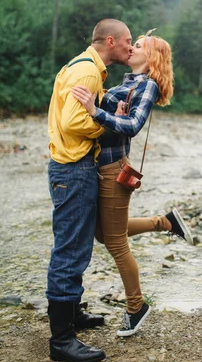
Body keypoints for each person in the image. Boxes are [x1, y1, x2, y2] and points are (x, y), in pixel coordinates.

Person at [71, 31, 193, 337]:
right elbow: (118, 121)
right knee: (104, 233)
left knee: (115, 242)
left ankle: (137, 308)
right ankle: (164, 222)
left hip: (115, 170)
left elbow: (134, 126)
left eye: (138, 46)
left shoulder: (147, 84)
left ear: (150, 57)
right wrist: (109, 112)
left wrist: (94, 110)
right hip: (105, 164)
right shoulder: (127, 82)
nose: (132, 48)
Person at [47, 18, 133, 362]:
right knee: (70, 250)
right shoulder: (87, 73)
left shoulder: (82, 65)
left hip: (70, 165)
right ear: (110, 41)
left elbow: (74, 116)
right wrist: (104, 120)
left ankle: (72, 316)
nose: (131, 46)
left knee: (78, 245)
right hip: (74, 167)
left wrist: (106, 110)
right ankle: (62, 340)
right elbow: (73, 122)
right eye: (127, 40)